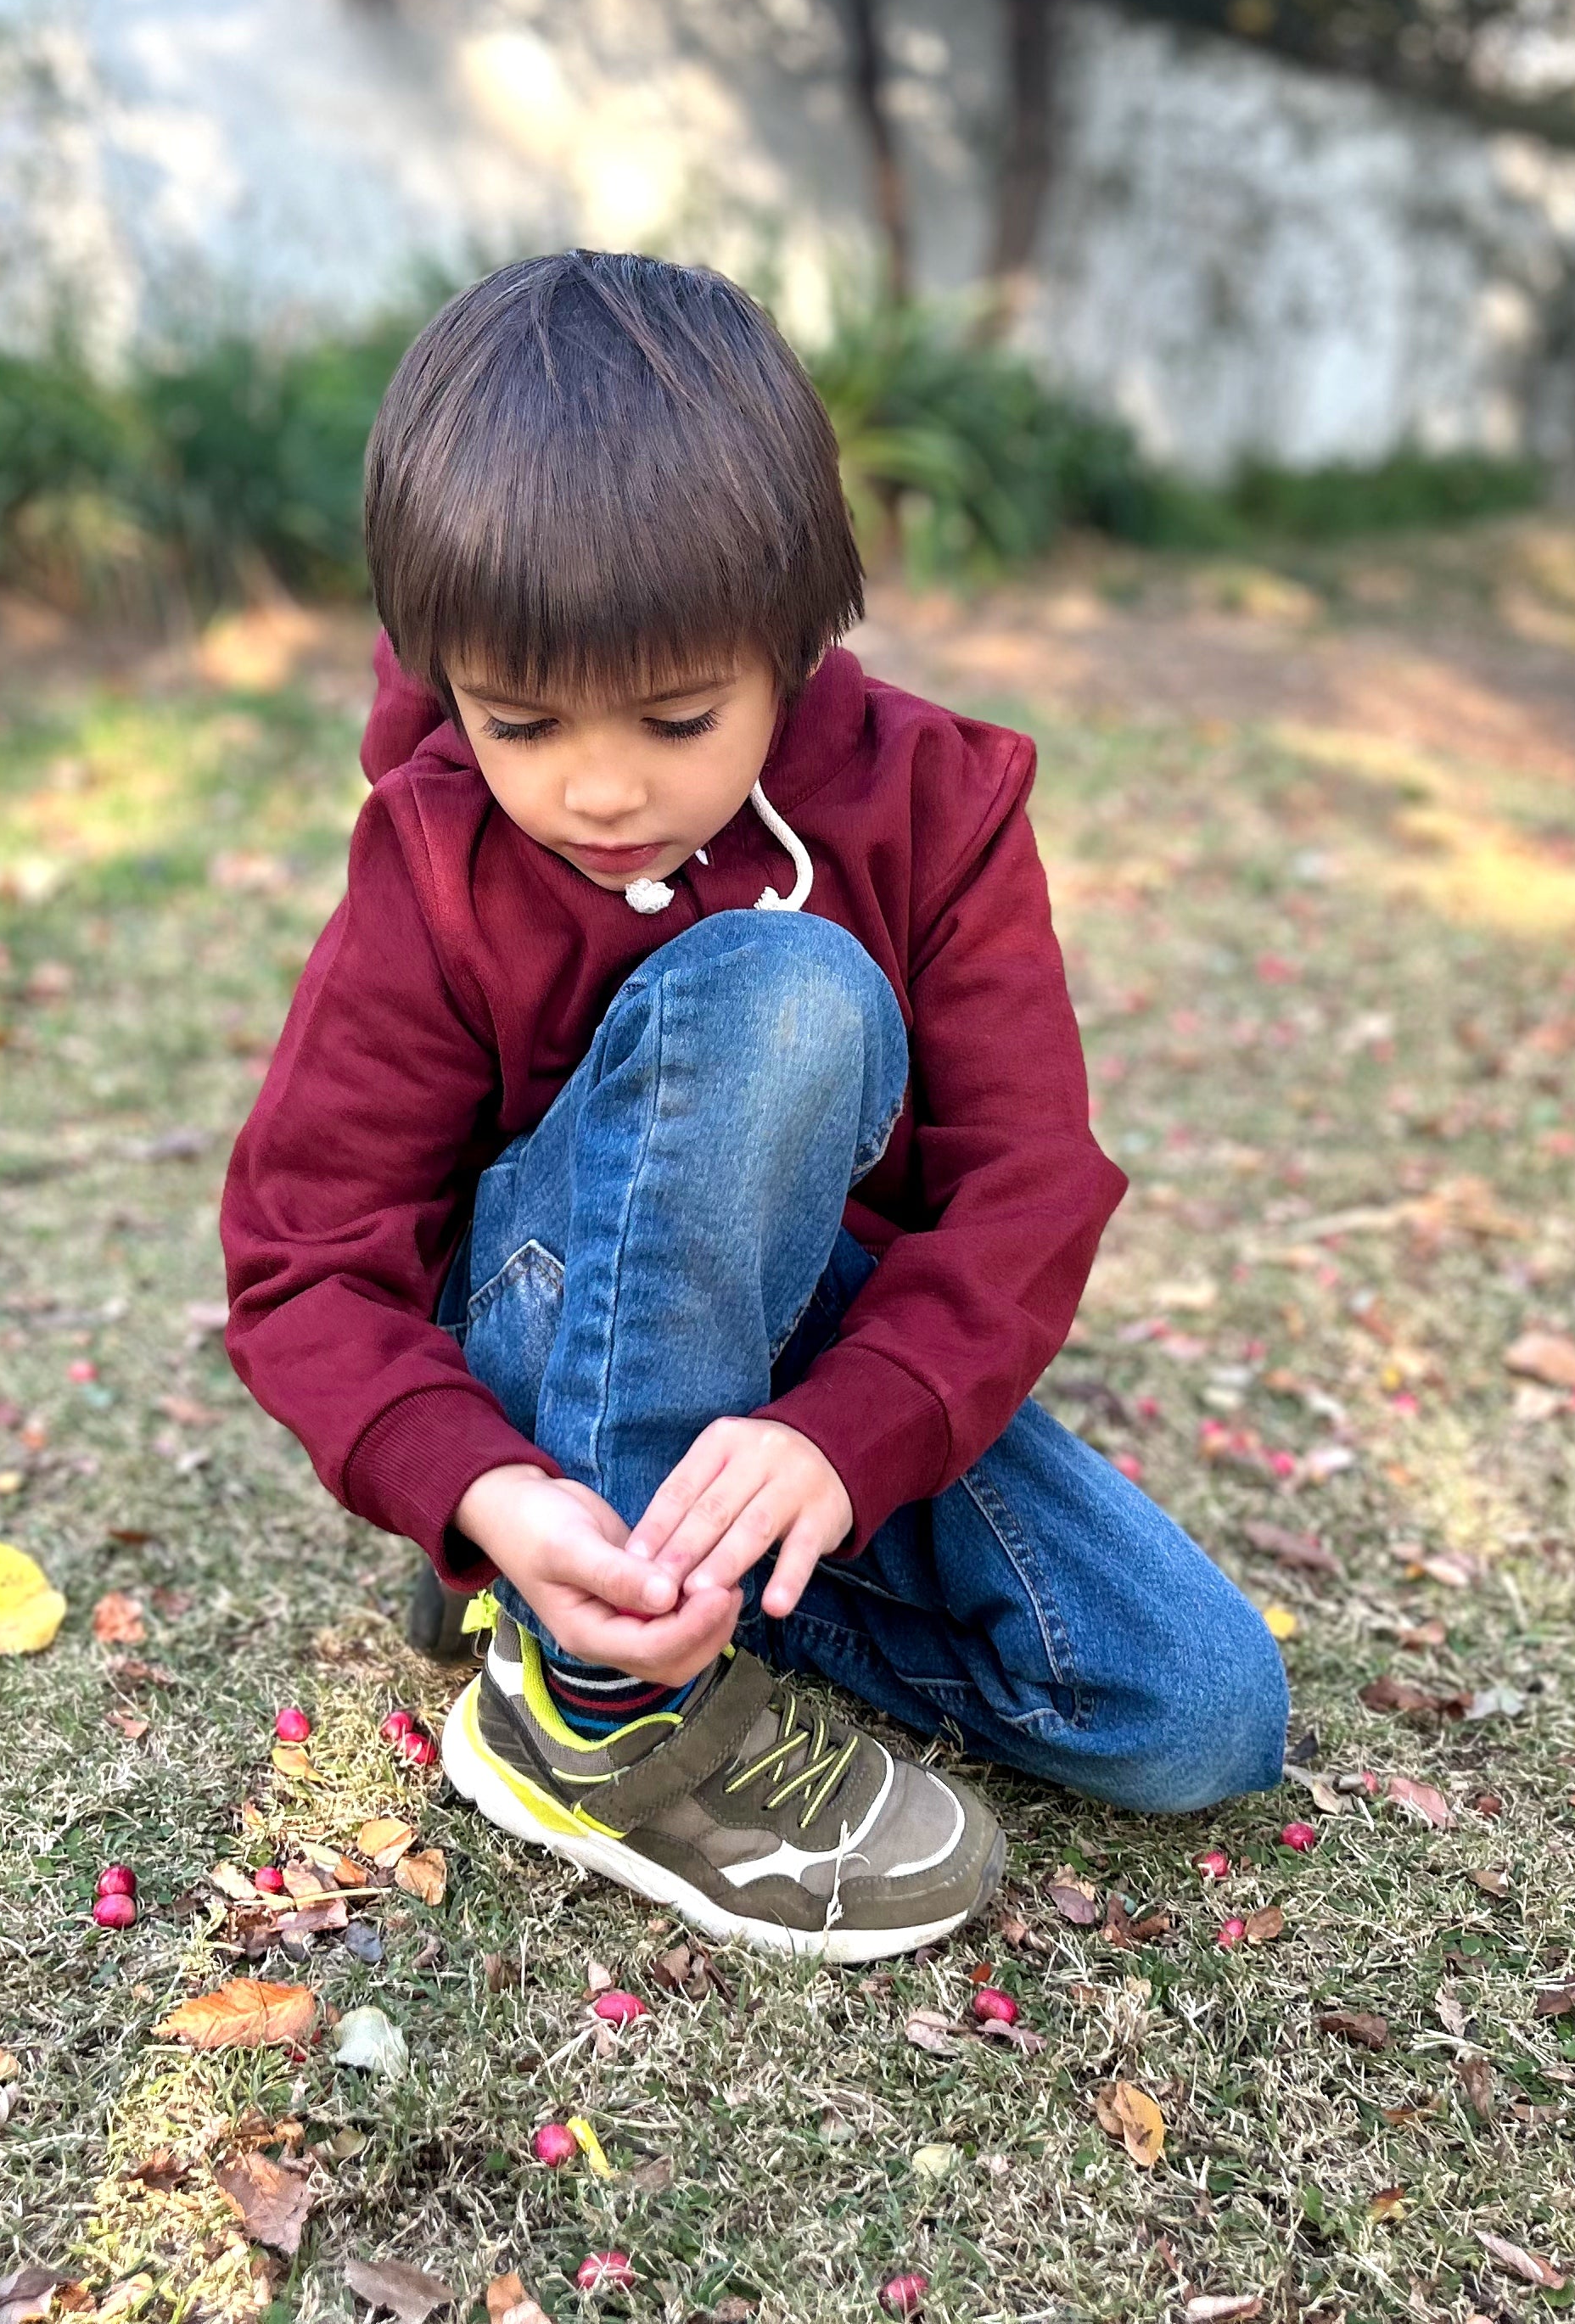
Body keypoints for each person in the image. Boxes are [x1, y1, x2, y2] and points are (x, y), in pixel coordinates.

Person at [221, 250, 1289, 1962]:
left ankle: (608, 1573)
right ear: (440, 667)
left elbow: (1024, 1185)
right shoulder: (438, 856)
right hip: (543, 1304)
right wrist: (468, 1472)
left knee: (1199, 1714)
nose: (598, 785)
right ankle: (596, 1706)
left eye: (673, 715)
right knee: (784, 986)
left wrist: (838, 1439)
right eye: (519, 719)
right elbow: (305, 1256)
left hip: (798, 1350)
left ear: (790, 639)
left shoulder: (936, 802)